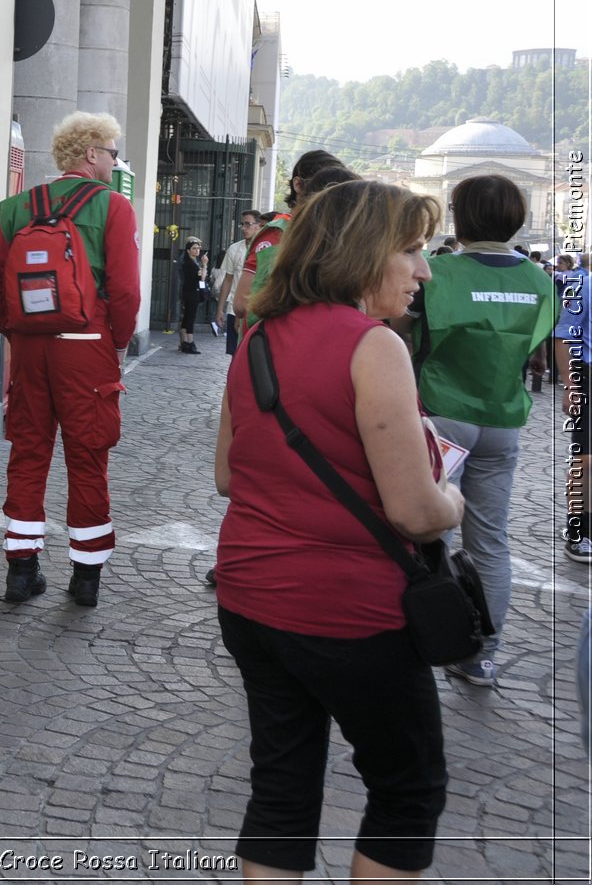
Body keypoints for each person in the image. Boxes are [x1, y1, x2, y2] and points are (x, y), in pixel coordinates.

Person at [214, 180, 463, 882]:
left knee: (282, 789)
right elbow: (415, 512)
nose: (425, 269)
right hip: (351, 615)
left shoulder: (258, 338)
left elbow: (230, 477)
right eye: (409, 250)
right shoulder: (373, 345)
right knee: (408, 788)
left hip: (253, 600)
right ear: (360, 254)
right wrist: (454, 501)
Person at [394, 174, 554, 687]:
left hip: (441, 416)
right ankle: (483, 653)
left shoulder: (437, 272)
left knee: (422, 530)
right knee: (491, 542)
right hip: (502, 419)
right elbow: (535, 346)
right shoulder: (541, 281)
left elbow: (398, 328)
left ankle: (411, 641)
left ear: (460, 216)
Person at [0, 111, 140, 607]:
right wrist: (115, 342)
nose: (115, 162)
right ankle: (86, 578)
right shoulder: (112, 207)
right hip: (86, 348)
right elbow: (127, 291)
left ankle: (21, 571)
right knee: (87, 456)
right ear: (91, 153)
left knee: (28, 452)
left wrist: (16, 333)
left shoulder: (18, 207)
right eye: (113, 153)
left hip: (30, 350)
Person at [232, 149, 343, 329]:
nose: (330, 198)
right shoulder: (277, 233)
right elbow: (242, 304)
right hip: (272, 348)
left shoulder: (327, 234)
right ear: (298, 184)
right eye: (323, 188)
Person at [556, 261, 592, 563]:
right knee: (586, 459)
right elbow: (563, 334)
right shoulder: (583, 287)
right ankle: (579, 531)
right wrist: (570, 385)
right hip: (588, 374)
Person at [215, 211, 262, 355]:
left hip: (255, 310)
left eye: (248, 224)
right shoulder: (234, 249)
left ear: (258, 225)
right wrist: (220, 309)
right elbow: (227, 280)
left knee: (252, 354)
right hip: (233, 308)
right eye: (242, 224)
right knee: (234, 353)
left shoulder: (265, 249)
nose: (243, 228)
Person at [177, 237, 207, 353]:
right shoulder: (191, 264)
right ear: (188, 250)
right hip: (192, 293)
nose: (197, 250)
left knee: (186, 318)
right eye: (194, 248)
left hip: (188, 292)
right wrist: (204, 265)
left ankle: (184, 342)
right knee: (190, 318)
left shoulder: (190, 262)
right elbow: (201, 279)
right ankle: (190, 342)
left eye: (198, 248)